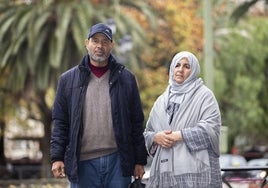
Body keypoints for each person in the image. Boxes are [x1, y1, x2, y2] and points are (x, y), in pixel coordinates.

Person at [50, 23, 147, 188]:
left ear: (112, 45)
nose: (99, 46)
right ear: (87, 43)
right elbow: (61, 122)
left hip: (118, 160)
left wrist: (139, 160)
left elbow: (136, 122)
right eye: (95, 41)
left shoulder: (126, 78)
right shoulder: (67, 80)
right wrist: (57, 157)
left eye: (104, 41)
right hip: (82, 163)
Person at [144, 51, 222, 188]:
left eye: (187, 66)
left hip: (196, 176)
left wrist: (176, 136)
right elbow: (147, 133)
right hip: (166, 177)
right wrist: (156, 138)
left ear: (194, 70)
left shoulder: (204, 96)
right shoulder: (161, 100)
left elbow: (210, 129)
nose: (180, 70)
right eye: (177, 65)